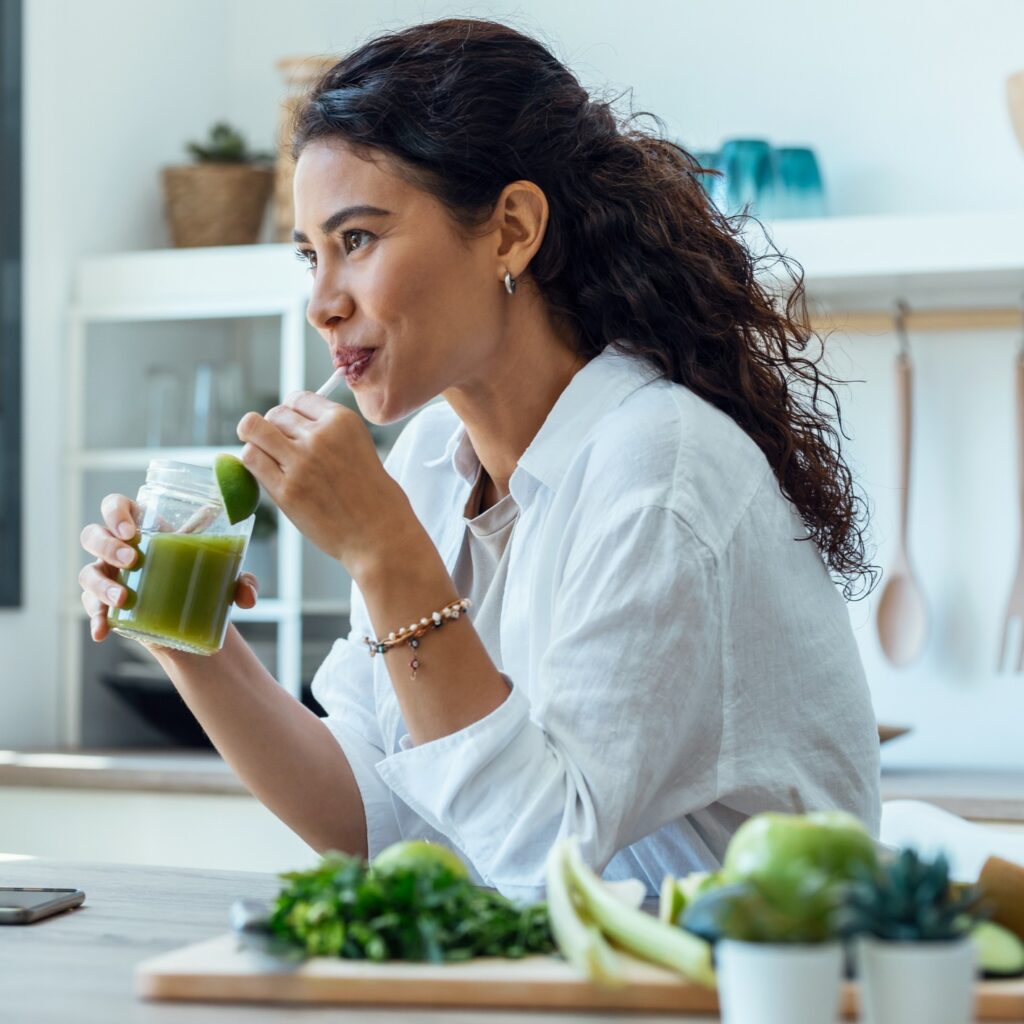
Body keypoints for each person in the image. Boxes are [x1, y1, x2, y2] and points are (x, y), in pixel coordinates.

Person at [78, 17, 881, 901]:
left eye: (358, 240)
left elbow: (548, 866)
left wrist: (387, 557)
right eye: (311, 255)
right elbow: (372, 818)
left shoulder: (660, 473)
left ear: (510, 230)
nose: (322, 303)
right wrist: (188, 636)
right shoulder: (429, 460)